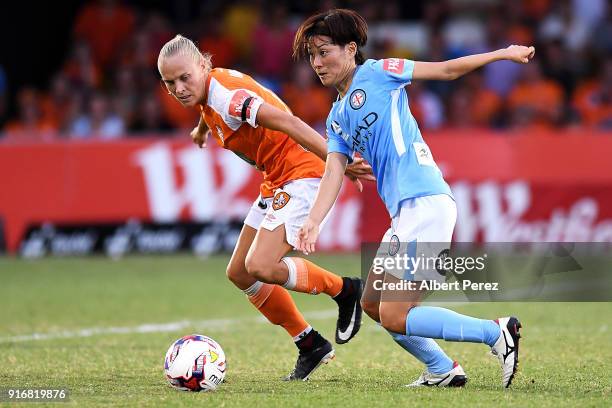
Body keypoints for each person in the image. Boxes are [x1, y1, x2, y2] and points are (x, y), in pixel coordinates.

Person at [293, 9, 535, 388]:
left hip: (426, 202)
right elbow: (333, 171)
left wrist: (501, 53)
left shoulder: (377, 71)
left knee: (395, 314)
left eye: (324, 51)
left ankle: (496, 332)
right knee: (372, 303)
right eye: (312, 55)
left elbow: (446, 71)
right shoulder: (337, 116)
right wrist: (313, 221)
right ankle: (442, 370)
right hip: (405, 214)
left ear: (351, 49)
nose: (317, 62)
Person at [157, 35, 374, 381]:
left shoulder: (229, 98)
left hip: (301, 174)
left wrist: (341, 163)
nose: (179, 88)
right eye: (170, 83)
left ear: (203, 66)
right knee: (239, 273)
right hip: (276, 179)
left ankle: (346, 289)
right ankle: (310, 344)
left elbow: (290, 122)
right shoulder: (208, 92)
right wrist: (201, 131)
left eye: (185, 78)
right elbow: (205, 106)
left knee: (260, 265)